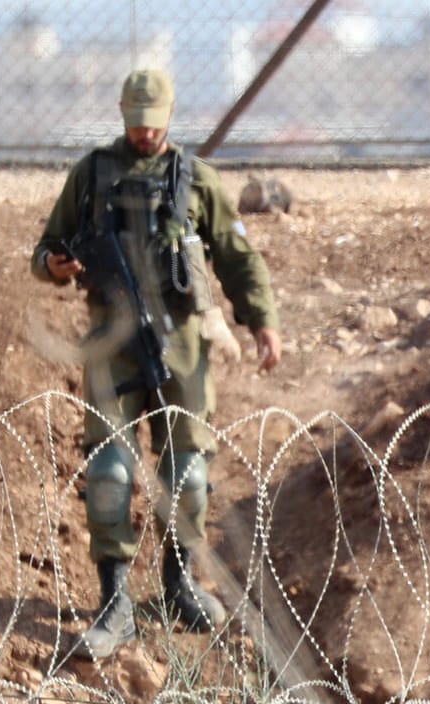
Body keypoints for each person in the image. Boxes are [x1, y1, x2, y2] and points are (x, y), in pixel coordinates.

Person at [32, 69, 282, 661]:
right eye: (135, 124)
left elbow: (237, 257)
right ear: (122, 113)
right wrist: (57, 265)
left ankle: (177, 584)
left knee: (188, 473)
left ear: (170, 117)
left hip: (181, 344)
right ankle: (114, 600)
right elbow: (47, 248)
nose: (144, 136)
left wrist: (262, 320)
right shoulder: (92, 174)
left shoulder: (196, 180)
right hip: (111, 344)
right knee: (112, 474)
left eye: (154, 125)